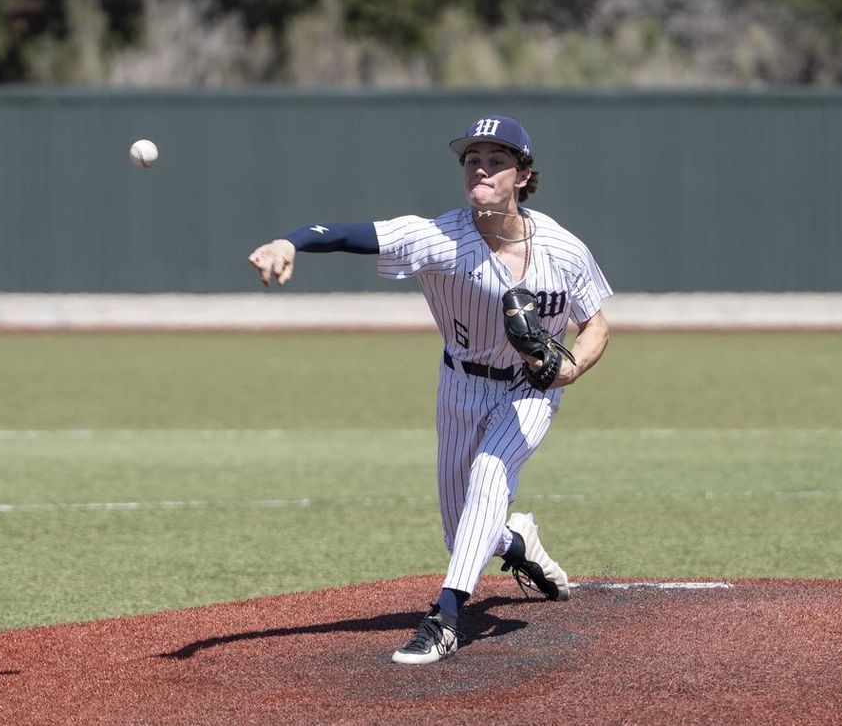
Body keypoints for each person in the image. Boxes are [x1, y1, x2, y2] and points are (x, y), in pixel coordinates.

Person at [247, 115, 612, 665]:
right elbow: (353, 234)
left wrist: (569, 370)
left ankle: (445, 617)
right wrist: (289, 241)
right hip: (460, 385)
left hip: (528, 391)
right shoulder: (440, 238)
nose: (481, 170)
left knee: (493, 472)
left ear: (524, 176)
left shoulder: (563, 249)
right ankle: (517, 543)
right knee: (461, 528)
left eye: (496, 160)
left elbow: (597, 327)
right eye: (472, 160)